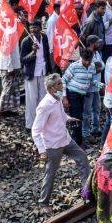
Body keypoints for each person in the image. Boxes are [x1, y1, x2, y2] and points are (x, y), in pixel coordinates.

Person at [32, 73, 90, 212]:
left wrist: (69, 118)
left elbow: (61, 115)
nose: (62, 86)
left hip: (65, 139)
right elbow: (36, 130)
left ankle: (87, 192)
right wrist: (42, 151)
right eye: (59, 84)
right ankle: (43, 203)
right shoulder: (45, 105)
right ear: (52, 88)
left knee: (82, 158)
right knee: (51, 173)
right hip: (52, 145)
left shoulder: (56, 99)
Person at [62, 47, 99, 146]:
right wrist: (64, 97)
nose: (87, 63)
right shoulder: (74, 66)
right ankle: (77, 142)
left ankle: (77, 140)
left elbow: (90, 80)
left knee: (81, 117)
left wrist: (99, 85)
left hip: (83, 95)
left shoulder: (92, 66)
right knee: (76, 118)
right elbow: (63, 80)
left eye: (88, 60)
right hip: (73, 94)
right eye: (85, 60)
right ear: (81, 58)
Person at [20, 20, 52, 129]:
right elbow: (23, 59)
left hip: (43, 71)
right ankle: (30, 124)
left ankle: (42, 122)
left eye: (35, 27)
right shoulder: (26, 41)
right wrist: (33, 52)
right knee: (31, 100)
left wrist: (49, 70)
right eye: (31, 27)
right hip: (31, 74)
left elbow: (47, 54)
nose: (33, 29)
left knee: (43, 98)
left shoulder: (45, 38)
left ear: (40, 28)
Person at [0, 21, 22, 118]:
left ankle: (10, 109)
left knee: (14, 88)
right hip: (8, 67)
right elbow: (7, 51)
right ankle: (1, 111)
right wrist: (10, 67)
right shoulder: (9, 33)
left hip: (14, 65)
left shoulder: (13, 32)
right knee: (7, 89)